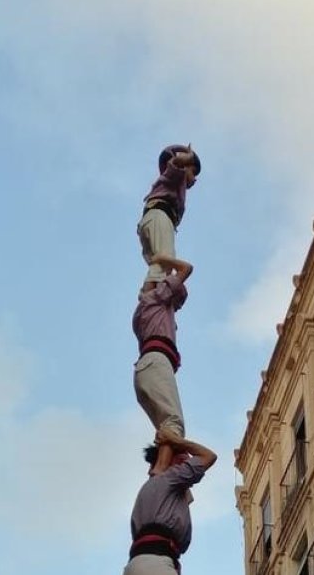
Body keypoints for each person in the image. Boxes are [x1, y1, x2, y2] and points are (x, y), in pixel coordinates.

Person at [125, 427, 217, 575]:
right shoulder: (168, 479)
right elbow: (208, 457)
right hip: (156, 562)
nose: (188, 463)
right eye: (183, 460)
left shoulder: (153, 490)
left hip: (141, 563)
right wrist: (175, 440)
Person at [133, 254, 192, 474]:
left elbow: (178, 293)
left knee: (165, 431)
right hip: (157, 363)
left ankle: (160, 470)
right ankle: (159, 472)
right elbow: (186, 269)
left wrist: (159, 270)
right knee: (173, 423)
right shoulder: (154, 299)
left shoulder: (147, 309)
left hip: (145, 369)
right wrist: (161, 258)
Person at [138, 145, 200, 287]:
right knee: (164, 261)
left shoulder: (175, 184)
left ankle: (150, 296)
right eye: (193, 172)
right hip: (160, 216)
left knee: (159, 267)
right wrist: (187, 157)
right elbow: (174, 166)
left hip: (151, 220)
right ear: (185, 167)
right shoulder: (176, 177)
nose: (195, 179)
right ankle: (151, 298)